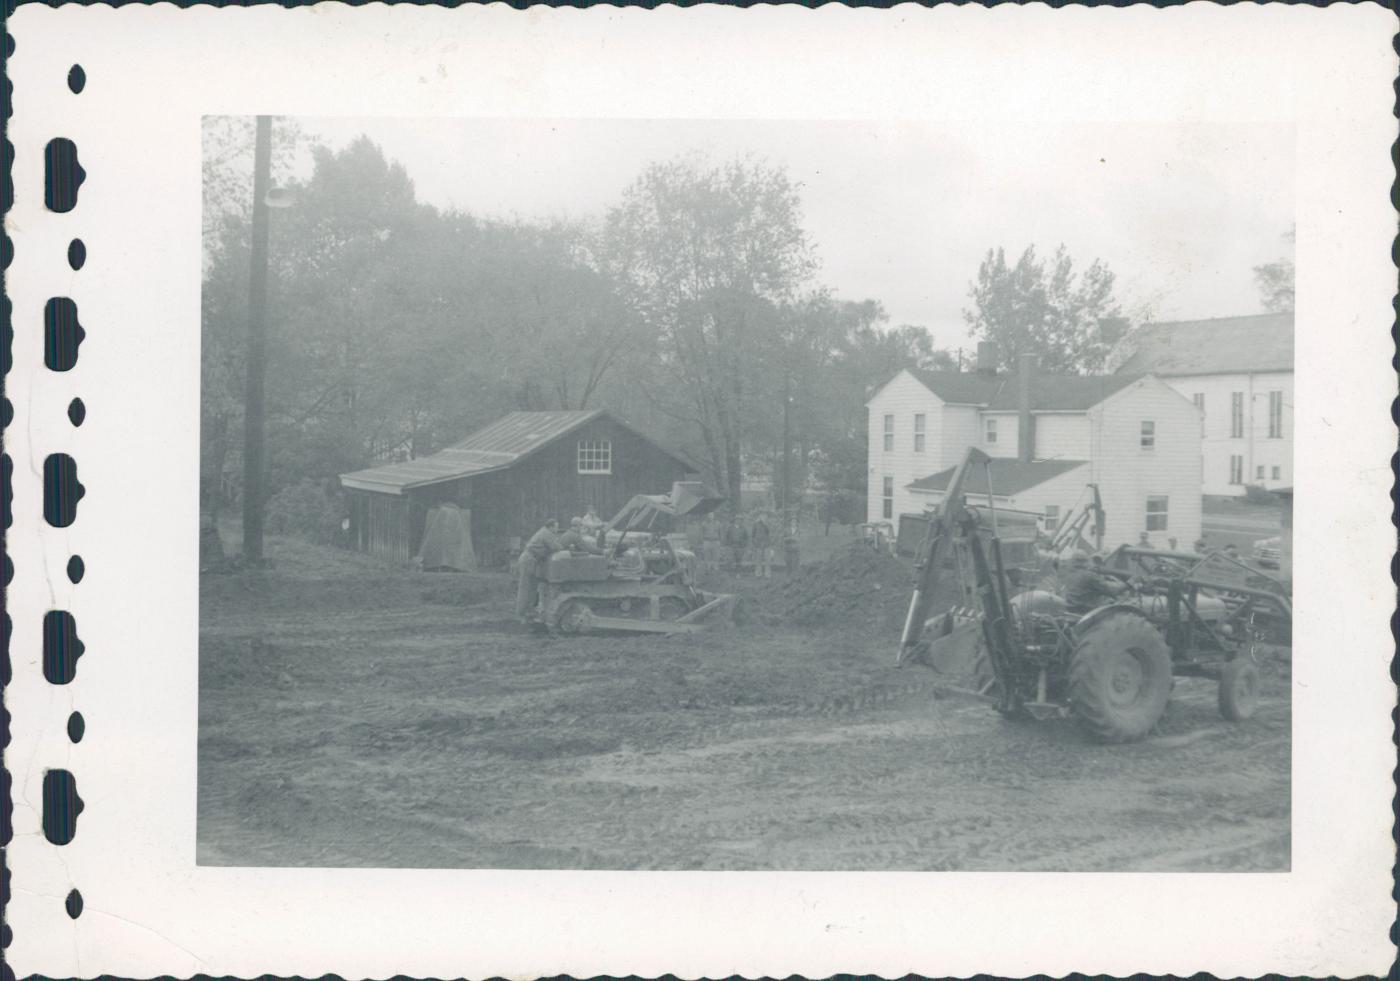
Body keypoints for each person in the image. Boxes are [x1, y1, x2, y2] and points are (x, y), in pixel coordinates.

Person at [516, 519, 561, 622]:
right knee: (526, 587)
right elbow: (555, 547)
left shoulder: (544, 532)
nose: (557, 529)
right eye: (556, 527)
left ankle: (528, 611)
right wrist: (564, 545)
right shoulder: (546, 533)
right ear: (550, 527)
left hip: (531, 559)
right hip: (529, 559)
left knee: (531, 586)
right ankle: (522, 613)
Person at [1061, 553, 1126, 613]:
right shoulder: (1089, 575)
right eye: (1094, 562)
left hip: (1072, 607)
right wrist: (1126, 584)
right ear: (1085, 563)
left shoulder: (1070, 574)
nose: (1096, 565)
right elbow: (1111, 590)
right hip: (1086, 609)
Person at [751, 514, 773, 579]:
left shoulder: (767, 524)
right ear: (759, 517)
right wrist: (754, 542)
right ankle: (758, 574)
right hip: (758, 545)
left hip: (766, 544)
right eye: (761, 517)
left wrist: (765, 523)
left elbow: (769, 531)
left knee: (767, 560)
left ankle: (767, 574)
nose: (762, 518)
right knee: (758, 560)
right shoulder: (755, 524)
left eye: (764, 517)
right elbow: (752, 534)